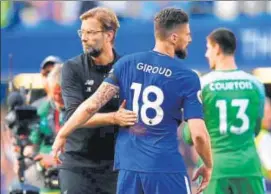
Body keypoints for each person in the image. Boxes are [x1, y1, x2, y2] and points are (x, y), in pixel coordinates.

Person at [53, 7, 213, 194]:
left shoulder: (127, 64)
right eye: (187, 34)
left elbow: (91, 106)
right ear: (174, 37)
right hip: (165, 167)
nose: (190, 39)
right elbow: (199, 135)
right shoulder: (186, 76)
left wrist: (63, 134)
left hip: (128, 169)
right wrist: (208, 164)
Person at [57, 7, 137, 194]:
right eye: (82, 32)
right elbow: (72, 116)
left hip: (117, 165)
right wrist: (113, 118)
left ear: (109, 35)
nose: (84, 38)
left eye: (91, 32)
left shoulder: (128, 68)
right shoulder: (72, 68)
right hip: (78, 164)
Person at [182, 28, 266, 194]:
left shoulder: (202, 84)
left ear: (217, 48)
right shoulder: (256, 84)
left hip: (214, 169)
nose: (206, 54)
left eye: (208, 48)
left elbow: (190, 135)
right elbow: (256, 129)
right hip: (248, 167)